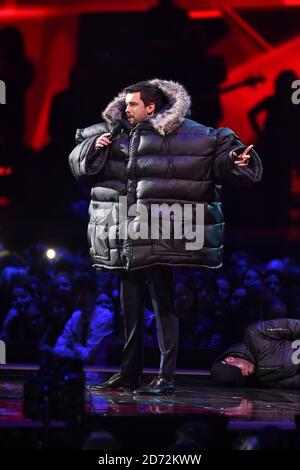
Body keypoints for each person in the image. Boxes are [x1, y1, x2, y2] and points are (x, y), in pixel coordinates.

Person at [69, 79, 262, 395]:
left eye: (132, 104)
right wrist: (93, 148)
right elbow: (79, 165)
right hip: (125, 231)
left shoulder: (187, 132)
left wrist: (235, 161)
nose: (125, 108)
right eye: (125, 103)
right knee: (128, 306)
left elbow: (216, 155)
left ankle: (165, 377)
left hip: (161, 228)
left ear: (151, 107)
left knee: (163, 304)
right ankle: (128, 374)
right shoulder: (112, 132)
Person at [210, 318, 300, 389]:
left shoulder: (254, 335)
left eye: (240, 371)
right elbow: (288, 383)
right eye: (242, 378)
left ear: (230, 359)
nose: (245, 374)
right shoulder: (256, 379)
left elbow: (293, 327)